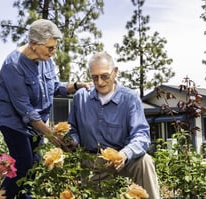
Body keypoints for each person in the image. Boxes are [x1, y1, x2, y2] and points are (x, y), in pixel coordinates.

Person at [0, 19, 90, 199]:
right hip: (15, 123)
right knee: (23, 165)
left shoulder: (45, 59)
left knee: (35, 167)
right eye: (50, 48)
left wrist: (77, 85)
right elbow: (25, 109)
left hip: (37, 125)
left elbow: (55, 86)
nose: (53, 52)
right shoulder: (13, 65)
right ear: (33, 44)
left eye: (54, 47)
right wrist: (50, 135)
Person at [65, 52, 160, 198]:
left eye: (104, 76)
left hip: (121, 161)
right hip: (91, 162)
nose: (100, 82)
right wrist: (73, 140)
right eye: (94, 77)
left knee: (145, 162)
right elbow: (73, 129)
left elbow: (141, 135)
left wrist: (124, 154)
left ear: (115, 72)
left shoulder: (130, 98)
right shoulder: (80, 97)